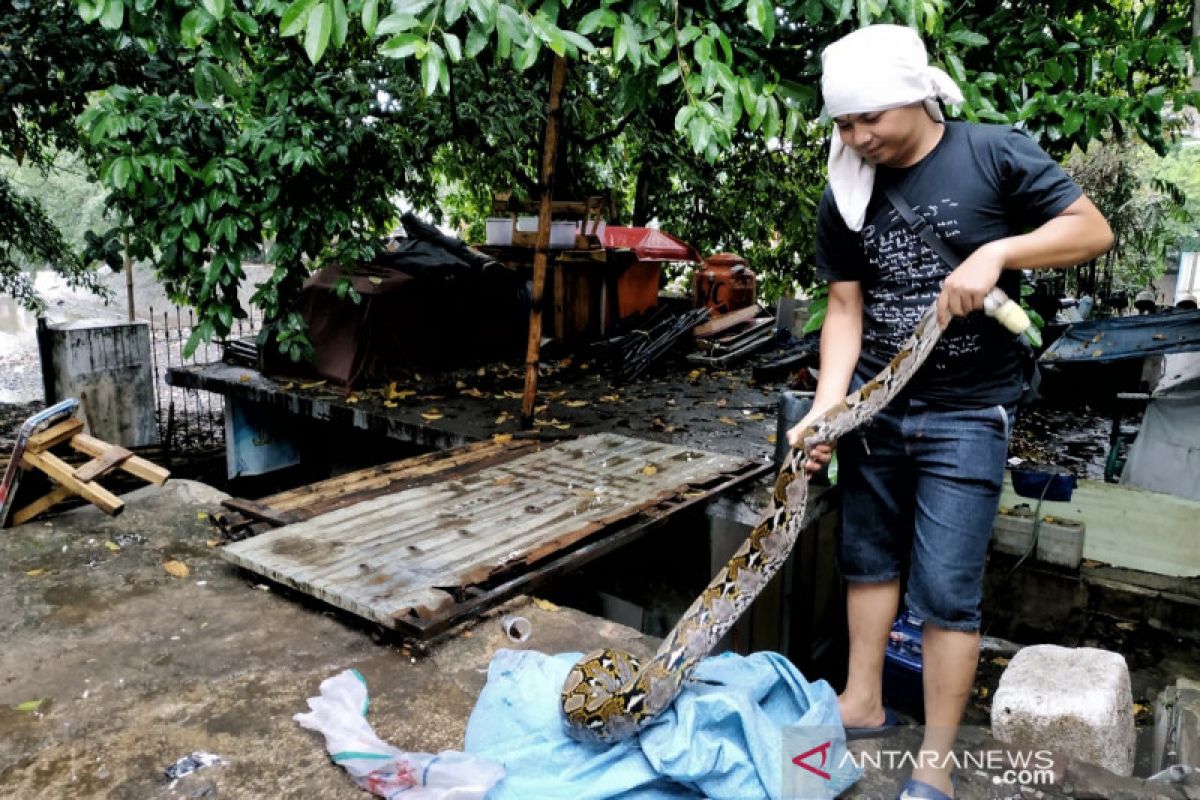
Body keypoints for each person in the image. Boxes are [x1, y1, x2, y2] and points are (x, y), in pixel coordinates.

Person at [787, 24, 1113, 800]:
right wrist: (831, 409)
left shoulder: (992, 152)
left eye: (870, 118)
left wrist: (998, 253)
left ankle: (934, 760)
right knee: (866, 561)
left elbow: (1090, 229)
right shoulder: (846, 186)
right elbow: (842, 307)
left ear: (916, 95)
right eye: (842, 124)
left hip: (969, 414)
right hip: (876, 409)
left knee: (946, 589)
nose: (857, 137)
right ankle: (862, 700)